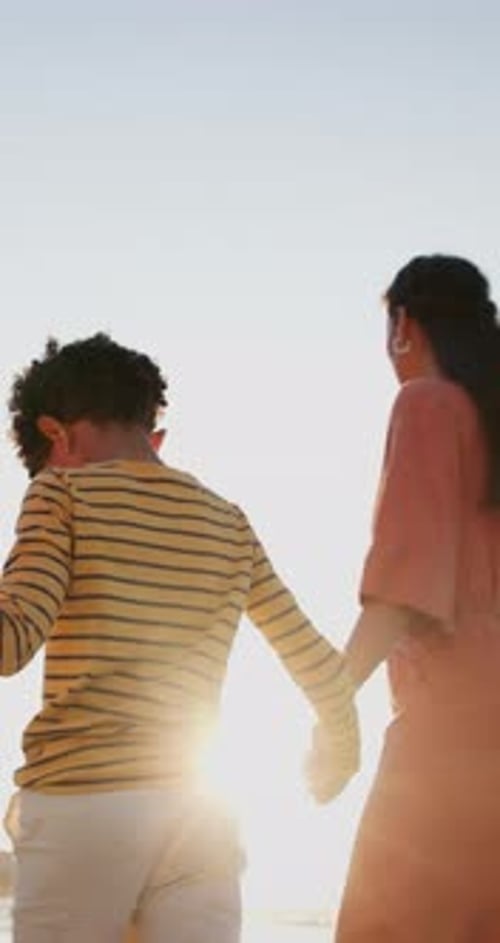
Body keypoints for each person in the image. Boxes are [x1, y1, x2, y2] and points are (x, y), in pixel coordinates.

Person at [1, 333, 359, 943]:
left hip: (85, 805)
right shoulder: (229, 520)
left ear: (57, 436)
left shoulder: (61, 494)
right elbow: (317, 661)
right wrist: (339, 748)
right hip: (199, 817)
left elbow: (12, 643)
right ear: (154, 435)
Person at [322, 255, 500, 941]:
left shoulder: (429, 403)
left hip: (450, 730)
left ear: (404, 324)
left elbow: (404, 588)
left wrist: (329, 705)